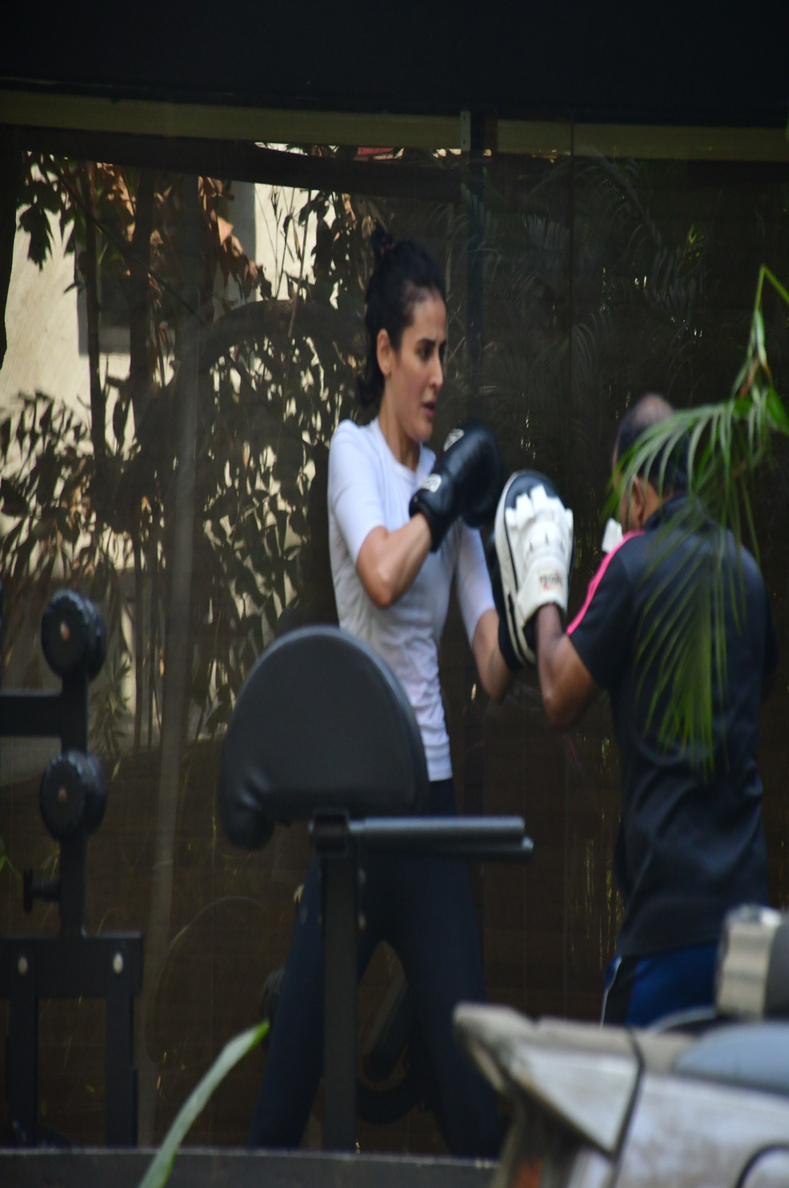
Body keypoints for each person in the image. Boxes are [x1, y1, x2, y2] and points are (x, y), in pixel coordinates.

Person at [248, 227, 510, 1154]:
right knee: (286, 1091)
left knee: (475, 1106)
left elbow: (492, 665)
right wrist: (444, 502)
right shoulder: (352, 453)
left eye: (445, 355)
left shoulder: (451, 482)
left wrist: (531, 580)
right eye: (424, 353)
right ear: (385, 352)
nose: (439, 376)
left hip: (429, 810)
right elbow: (383, 575)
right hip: (355, 814)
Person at [505, 394, 777, 1027]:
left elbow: (558, 695)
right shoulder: (747, 574)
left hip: (665, 929)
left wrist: (545, 584)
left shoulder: (630, 567)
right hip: (747, 931)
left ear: (636, 489)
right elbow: (755, 690)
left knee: (622, 1091)